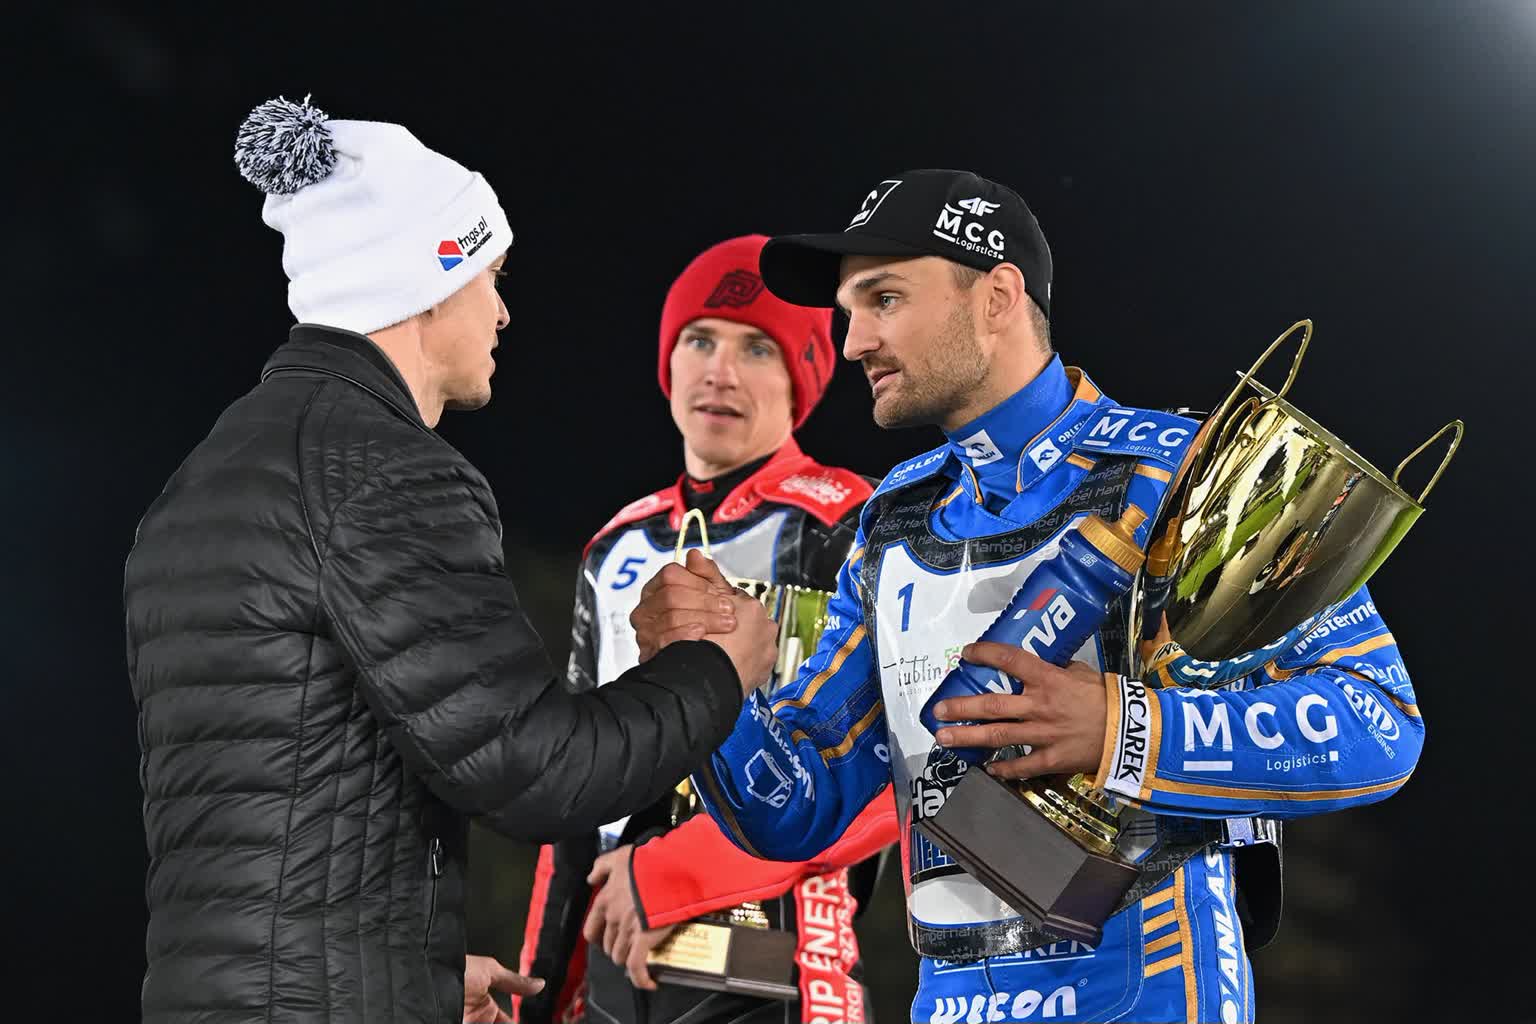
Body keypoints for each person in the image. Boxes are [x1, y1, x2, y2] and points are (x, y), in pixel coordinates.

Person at [629, 170, 1423, 1023]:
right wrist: (710, 677)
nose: (854, 341)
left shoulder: (1181, 468)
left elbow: (1378, 723)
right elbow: (795, 809)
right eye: (849, 310)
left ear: (998, 298)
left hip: (1149, 993)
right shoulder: (891, 521)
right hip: (943, 1001)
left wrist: (1122, 730)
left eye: (884, 298)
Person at [122, 96, 777, 1024]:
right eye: (490, 276)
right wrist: (713, 671)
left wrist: (412, 978)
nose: (502, 313)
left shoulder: (202, 482)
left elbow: (275, 813)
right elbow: (538, 771)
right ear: (430, 284)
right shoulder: (386, 474)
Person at [516, 236, 899, 1024]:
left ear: (803, 377)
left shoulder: (855, 523)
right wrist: (538, 995)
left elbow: (905, 773)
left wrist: (676, 873)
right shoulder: (616, 547)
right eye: (699, 340)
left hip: (780, 950)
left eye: (756, 348)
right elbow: (575, 798)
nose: (719, 372)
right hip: (617, 958)